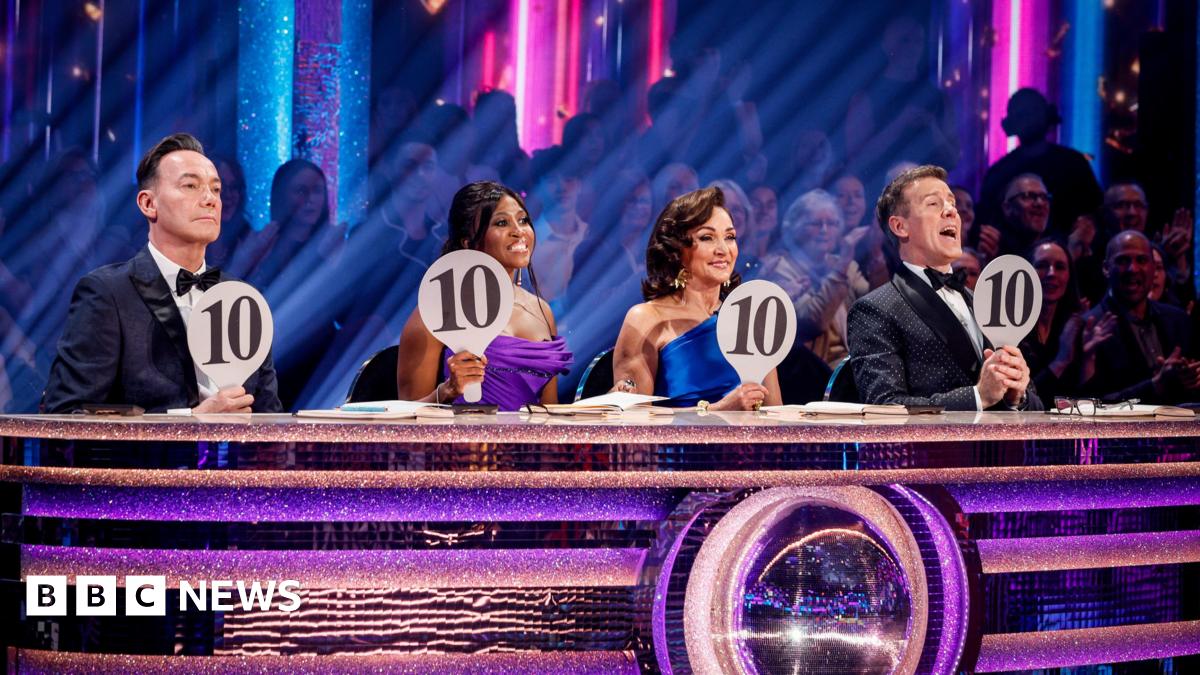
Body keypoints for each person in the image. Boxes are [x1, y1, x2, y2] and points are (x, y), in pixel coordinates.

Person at [42, 133, 281, 413]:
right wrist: (189, 423)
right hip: (149, 458)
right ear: (148, 203)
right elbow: (67, 416)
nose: (210, 199)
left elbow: (270, 416)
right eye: (191, 185)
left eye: (216, 189)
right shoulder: (108, 293)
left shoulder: (241, 298)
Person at [846, 165, 1039, 411]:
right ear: (900, 226)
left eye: (952, 203)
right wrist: (977, 397)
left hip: (998, 448)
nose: (951, 211)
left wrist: (1017, 397)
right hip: (934, 450)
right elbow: (885, 407)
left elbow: (1034, 405)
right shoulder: (874, 309)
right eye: (934, 204)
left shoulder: (983, 303)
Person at [395, 181, 572, 411]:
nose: (519, 231)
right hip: (460, 444)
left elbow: (549, 411)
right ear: (469, 242)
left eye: (523, 220)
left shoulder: (541, 310)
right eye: (501, 222)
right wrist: (447, 390)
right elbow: (403, 418)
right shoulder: (437, 311)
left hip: (529, 445)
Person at [612, 186, 782, 409]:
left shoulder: (750, 318)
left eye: (729, 237)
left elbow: (775, 417)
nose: (723, 249)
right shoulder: (645, 319)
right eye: (707, 237)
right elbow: (633, 425)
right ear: (676, 250)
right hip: (679, 445)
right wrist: (718, 411)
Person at [1079, 231, 1199, 404]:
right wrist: (1155, 385)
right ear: (1106, 268)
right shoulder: (1088, 327)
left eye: (1141, 260)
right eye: (1123, 260)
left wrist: (1193, 377)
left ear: (1153, 268)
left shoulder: (1179, 320)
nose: (1132, 269)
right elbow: (1088, 405)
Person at [762, 189, 869, 369]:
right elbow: (812, 321)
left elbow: (872, 301)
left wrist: (877, 258)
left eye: (832, 223)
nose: (824, 230)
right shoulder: (778, 268)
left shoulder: (841, 264)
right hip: (809, 372)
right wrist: (840, 270)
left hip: (849, 364)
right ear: (794, 228)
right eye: (816, 223)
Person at [978, 88, 1102, 236]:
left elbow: (1094, 213)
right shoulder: (998, 173)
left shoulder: (1074, 164)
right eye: (1022, 114)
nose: (1028, 120)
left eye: (1032, 112)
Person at [1019, 240, 1115, 403]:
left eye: (1060, 267)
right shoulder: (1012, 329)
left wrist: (1088, 357)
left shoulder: (1074, 326)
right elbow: (1020, 400)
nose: (1051, 273)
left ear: (1069, 276)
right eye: (1042, 265)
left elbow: (1090, 401)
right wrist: (1061, 361)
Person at [996, 173, 1051, 256]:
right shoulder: (995, 251)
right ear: (1007, 208)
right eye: (1029, 196)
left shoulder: (1055, 250)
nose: (1040, 203)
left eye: (1044, 197)